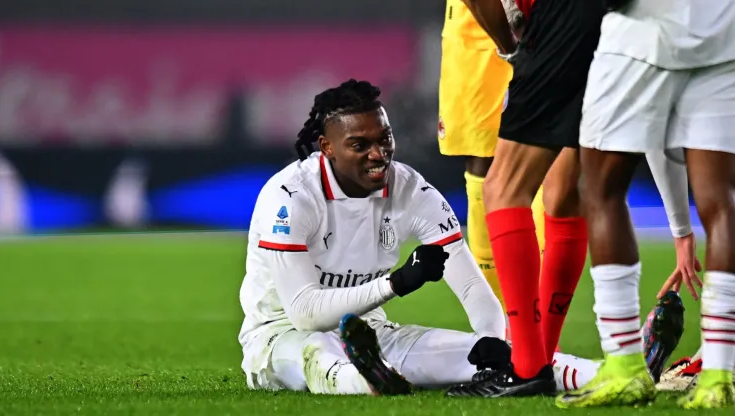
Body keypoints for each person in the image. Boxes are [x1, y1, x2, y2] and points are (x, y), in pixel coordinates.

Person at [237, 79, 601, 395]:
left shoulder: (409, 188)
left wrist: (489, 339)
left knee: (505, 356)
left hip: (372, 334)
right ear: (327, 147)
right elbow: (305, 314)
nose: (378, 155)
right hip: (278, 337)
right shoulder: (289, 197)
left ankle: (605, 372)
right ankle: (366, 380)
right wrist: (394, 284)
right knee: (316, 352)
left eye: (385, 139)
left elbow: (472, 286)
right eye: (359, 145)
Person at [556, 0, 735, 409]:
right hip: (724, 30)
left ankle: (624, 367)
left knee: (601, 187)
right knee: (722, 200)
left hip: (645, 31)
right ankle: (719, 376)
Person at [444, 0, 605, 397]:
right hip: (613, 22)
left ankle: (527, 366)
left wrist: (512, 50)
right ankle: (542, 357)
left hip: (559, 20)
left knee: (502, 187)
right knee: (565, 192)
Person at [437, 0, 545, 310]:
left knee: (551, 157)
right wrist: (511, 45)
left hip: (550, 17)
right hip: (477, 25)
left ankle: (535, 316)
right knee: (482, 159)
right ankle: (502, 315)